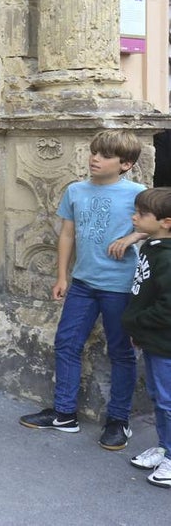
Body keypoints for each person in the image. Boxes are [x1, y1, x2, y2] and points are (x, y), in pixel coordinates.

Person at [19, 129, 146, 450]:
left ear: (126, 164)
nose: (95, 159)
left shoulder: (138, 194)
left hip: (120, 287)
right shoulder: (75, 191)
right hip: (83, 284)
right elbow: (67, 235)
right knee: (66, 343)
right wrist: (62, 276)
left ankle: (118, 420)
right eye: (94, 152)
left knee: (121, 352)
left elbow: (161, 224)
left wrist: (133, 236)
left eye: (105, 156)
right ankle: (64, 414)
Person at [123, 187, 171, 488]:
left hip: (166, 343)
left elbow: (167, 307)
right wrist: (139, 331)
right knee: (158, 397)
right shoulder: (152, 246)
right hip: (153, 340)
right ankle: (165, 447)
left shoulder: (168, 257)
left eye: (142, 214)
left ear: (166, 222)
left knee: (168, 401)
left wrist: (138, 323)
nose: (134, 217)